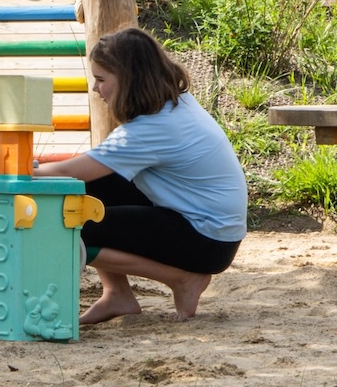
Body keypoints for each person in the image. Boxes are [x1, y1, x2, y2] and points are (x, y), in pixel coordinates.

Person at [36, 27, 247, 324]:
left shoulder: (152, 130)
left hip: (206, 241)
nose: (95, 89)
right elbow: (87, 174)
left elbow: (69, 170)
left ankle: (183, 279)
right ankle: (116, 295)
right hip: (214, 230)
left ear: (129, 81)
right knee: (93, 188)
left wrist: (5, 172)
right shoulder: (176, 103)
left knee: (73, 224)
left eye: (100, 80)